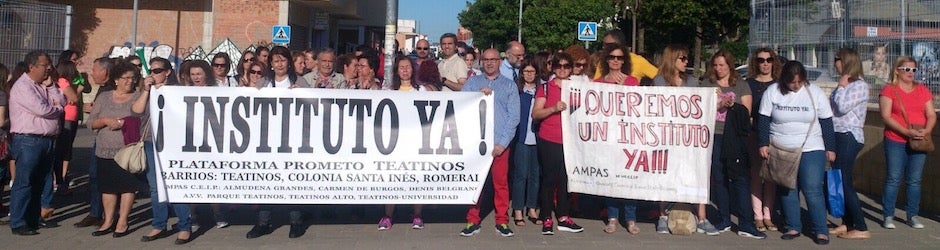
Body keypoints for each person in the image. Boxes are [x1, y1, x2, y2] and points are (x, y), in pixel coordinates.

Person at [758, 60, 836, 245]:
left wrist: (831, 148)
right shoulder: (773, 92)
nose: (796, 86)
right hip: (781, 147)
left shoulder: (814, 93)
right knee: (787, 188)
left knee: (812, 188)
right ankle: (793, 226)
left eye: (800, 82)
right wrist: (763, 143)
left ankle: (820, 230)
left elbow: (826, 121)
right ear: (784, 79)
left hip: (811, 146)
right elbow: (763, 118)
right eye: (792, 82)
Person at [246, 46, 310, 240]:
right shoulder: (264, 83)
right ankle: (263, 222)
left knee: (293, 182)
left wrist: (303, 95)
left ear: (288, 62)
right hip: (268, 140)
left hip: (293, 140)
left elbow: (313, 106)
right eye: (276, 61)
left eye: (283, 60)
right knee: (267, 182)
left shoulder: (300, 81)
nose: (279, 64)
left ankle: (296, 222)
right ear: (271, 64)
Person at [701, 50, 764, 238]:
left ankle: (745, 223)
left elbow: (747, 115)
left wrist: (732, 105)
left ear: (730, 65)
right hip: (715, 135)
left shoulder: (741, 85)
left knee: (739, 179)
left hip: (735, 138)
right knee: (719, 178)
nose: (718, 69)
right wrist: (718, 105)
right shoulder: (707, 85)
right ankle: (724, 219)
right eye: (716, 65)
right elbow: (700, 111)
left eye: (722, 65)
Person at [458, 48, 520, 237]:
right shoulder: (473, 83)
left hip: (499, 144)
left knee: (500, 184)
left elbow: (514, 117)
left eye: (493, 59)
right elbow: (461, 105)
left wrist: (502, 143)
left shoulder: (509, 86)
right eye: (486, 59)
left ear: (500, 62)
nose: (489, 63)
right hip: (476, 145)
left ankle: (501, 220)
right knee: (475, 183)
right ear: (481, 61)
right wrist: (477, 95)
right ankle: (472, 219)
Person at [131, 57, 193, 244]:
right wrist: (146, 90)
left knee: (176, 185)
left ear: (167, 72)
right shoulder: (148, 91)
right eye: (151, 71)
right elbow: (136, 110)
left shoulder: (177, 91)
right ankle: (159, 224)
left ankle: (185, 225)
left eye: (157, 71)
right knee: (156, 187)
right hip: (151, 142)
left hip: (173, 145)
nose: (153, 74)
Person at [7, 51, 63, 236]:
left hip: (47, 140)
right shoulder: (23, 86)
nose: (49, 68)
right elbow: (42, 110)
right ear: (32, 67)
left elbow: (62, 101)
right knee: (25, 181)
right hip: (28, 140)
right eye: (44, 65)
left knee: (40, 182)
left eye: (49, 65)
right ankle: (18, 222)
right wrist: (57, 109)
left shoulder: (43, 85)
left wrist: (52, 87)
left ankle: (33, 218)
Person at [879, 56, 935, 230]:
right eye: (907, 69)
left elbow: (931, 114)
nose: (911, 73)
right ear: (897, 70)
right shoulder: (889, 90)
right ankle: (888, 215)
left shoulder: (922, 90)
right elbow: (886, 116)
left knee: (915, 180)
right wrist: (905, 132)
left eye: (914, 70)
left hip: (919, 140)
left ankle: (912, 215)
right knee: (894, 178)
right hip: (895, 140)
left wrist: (926, 131)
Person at [87, 61, 142, 238]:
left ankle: (122, 221)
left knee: (127, 186)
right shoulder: (104, 97)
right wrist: (105, 121)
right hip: (104, 150)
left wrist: (127, 123)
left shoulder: (138, 96)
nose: (130, 82)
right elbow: (91, 123)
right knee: (108, 187)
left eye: (133, 78)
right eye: (126, 78)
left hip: (127, 151)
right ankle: (108, 220)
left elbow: (142, 118)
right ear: (116, 80)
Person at [531, 52, 584, 235]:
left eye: (566, 66)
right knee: (549, 179)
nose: (562, 69)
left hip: (571, 141)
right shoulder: (546, 88)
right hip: (550, 139)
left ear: (571, 68)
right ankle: (546, 218)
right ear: (553, 67)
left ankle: (563, 216)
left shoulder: (578, 87)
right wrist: (553, 109)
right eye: (558, 66)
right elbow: (536, 114)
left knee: (566, 180)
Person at [592, 44, 641, 234]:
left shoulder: (632, 82)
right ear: (606, 59)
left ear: (624, 61)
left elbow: (636, 108)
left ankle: (630, 218)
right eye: (612, 57)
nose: (615, 60)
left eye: (619, 58)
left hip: (628, 136)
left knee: (629, 178)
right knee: (611, 177)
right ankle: (612, 217)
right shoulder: (597, 83)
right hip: (606, 137)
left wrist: (622, 89)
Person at [827, 48, 871, 239]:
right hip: (837, 134)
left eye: (837, 59)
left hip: (849, 135)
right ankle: (847, 223)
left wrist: (842, 86)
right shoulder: (844, 85)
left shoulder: (859, 85)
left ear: (845, 61)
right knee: (837, 180)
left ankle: (861, 227)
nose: (834, 63)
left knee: (845, 181)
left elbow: (843, 107)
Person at [74, 57, 115, 229]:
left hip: (110, 141)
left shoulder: (112, 89)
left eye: (95, 69)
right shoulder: (102, 89)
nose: (92, 73)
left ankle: (108, 215)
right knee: (94, 175)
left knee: (105, 177)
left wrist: (94, 111)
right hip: (99, 138)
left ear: (105, 72)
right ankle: (95, 212)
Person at [745, 48, 781, 233]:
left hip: (776, 134)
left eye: (769, 60)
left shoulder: (780, 84)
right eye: (761, 60)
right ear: (755, 62)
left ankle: (769, 215)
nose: (765, 63)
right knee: (757, 175)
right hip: (755, 134)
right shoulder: (749, 84)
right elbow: (746, 111)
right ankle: (757, 215)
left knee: (771, 177)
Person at [511, 58, 540, 227]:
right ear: (522, 73)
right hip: (521, 138)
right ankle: (517, 210)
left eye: (532, 71)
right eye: (526, 71)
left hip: (537, 138)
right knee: (521, 175)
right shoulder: (516, 90)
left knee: (535, 175)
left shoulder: (541, 90)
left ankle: (532, 208)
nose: (529, 74)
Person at [52, 61, 85, 197]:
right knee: (63, 149)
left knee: (65, 149)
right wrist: (78, 89)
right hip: (67, 116)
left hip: (69, 116)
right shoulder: (63, 81)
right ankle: (59, 181)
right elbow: (73, 98)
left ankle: (61, 179)